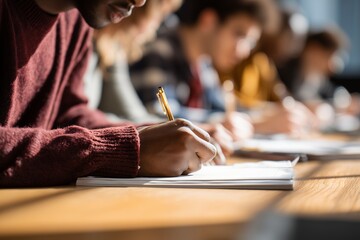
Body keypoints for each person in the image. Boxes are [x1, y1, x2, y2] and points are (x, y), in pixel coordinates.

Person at [0, 0, 217, 188]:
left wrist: (159, 136)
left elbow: (71, 114)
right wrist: (127, 149)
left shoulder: (75, 21)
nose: (141, 2)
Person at [130, 0, 264, 141]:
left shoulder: (203, 65)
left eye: (251, 42)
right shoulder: (159, 49)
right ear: (208, 21)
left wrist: (260, 117)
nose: (244, 51)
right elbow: (161, 114)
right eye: (239, 34)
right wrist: (256, 124)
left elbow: (221, 111)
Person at [84, 0, 182, 123]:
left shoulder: (111, 50)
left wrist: (181, 128)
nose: (157, 27)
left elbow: (134, 115)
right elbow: (154, 107)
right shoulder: (81, 35)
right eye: (160, 15)